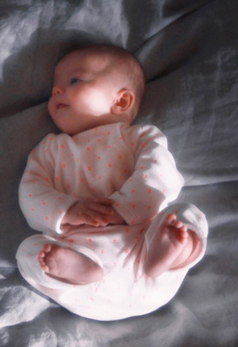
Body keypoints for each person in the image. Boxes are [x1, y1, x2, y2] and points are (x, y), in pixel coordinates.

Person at [15, 44, 208, 321]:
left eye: (74, 80)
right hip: (87, 274)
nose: (56, 91)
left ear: (121, 102)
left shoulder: (139, 137)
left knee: (186, 214)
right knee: (28, 252)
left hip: (144, 250)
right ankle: (77, 268)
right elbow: (31, 193)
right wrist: (69, 210)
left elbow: (160, 173)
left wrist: (126, 208)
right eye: (54, 87)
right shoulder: (49, 149)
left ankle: (174, 251)